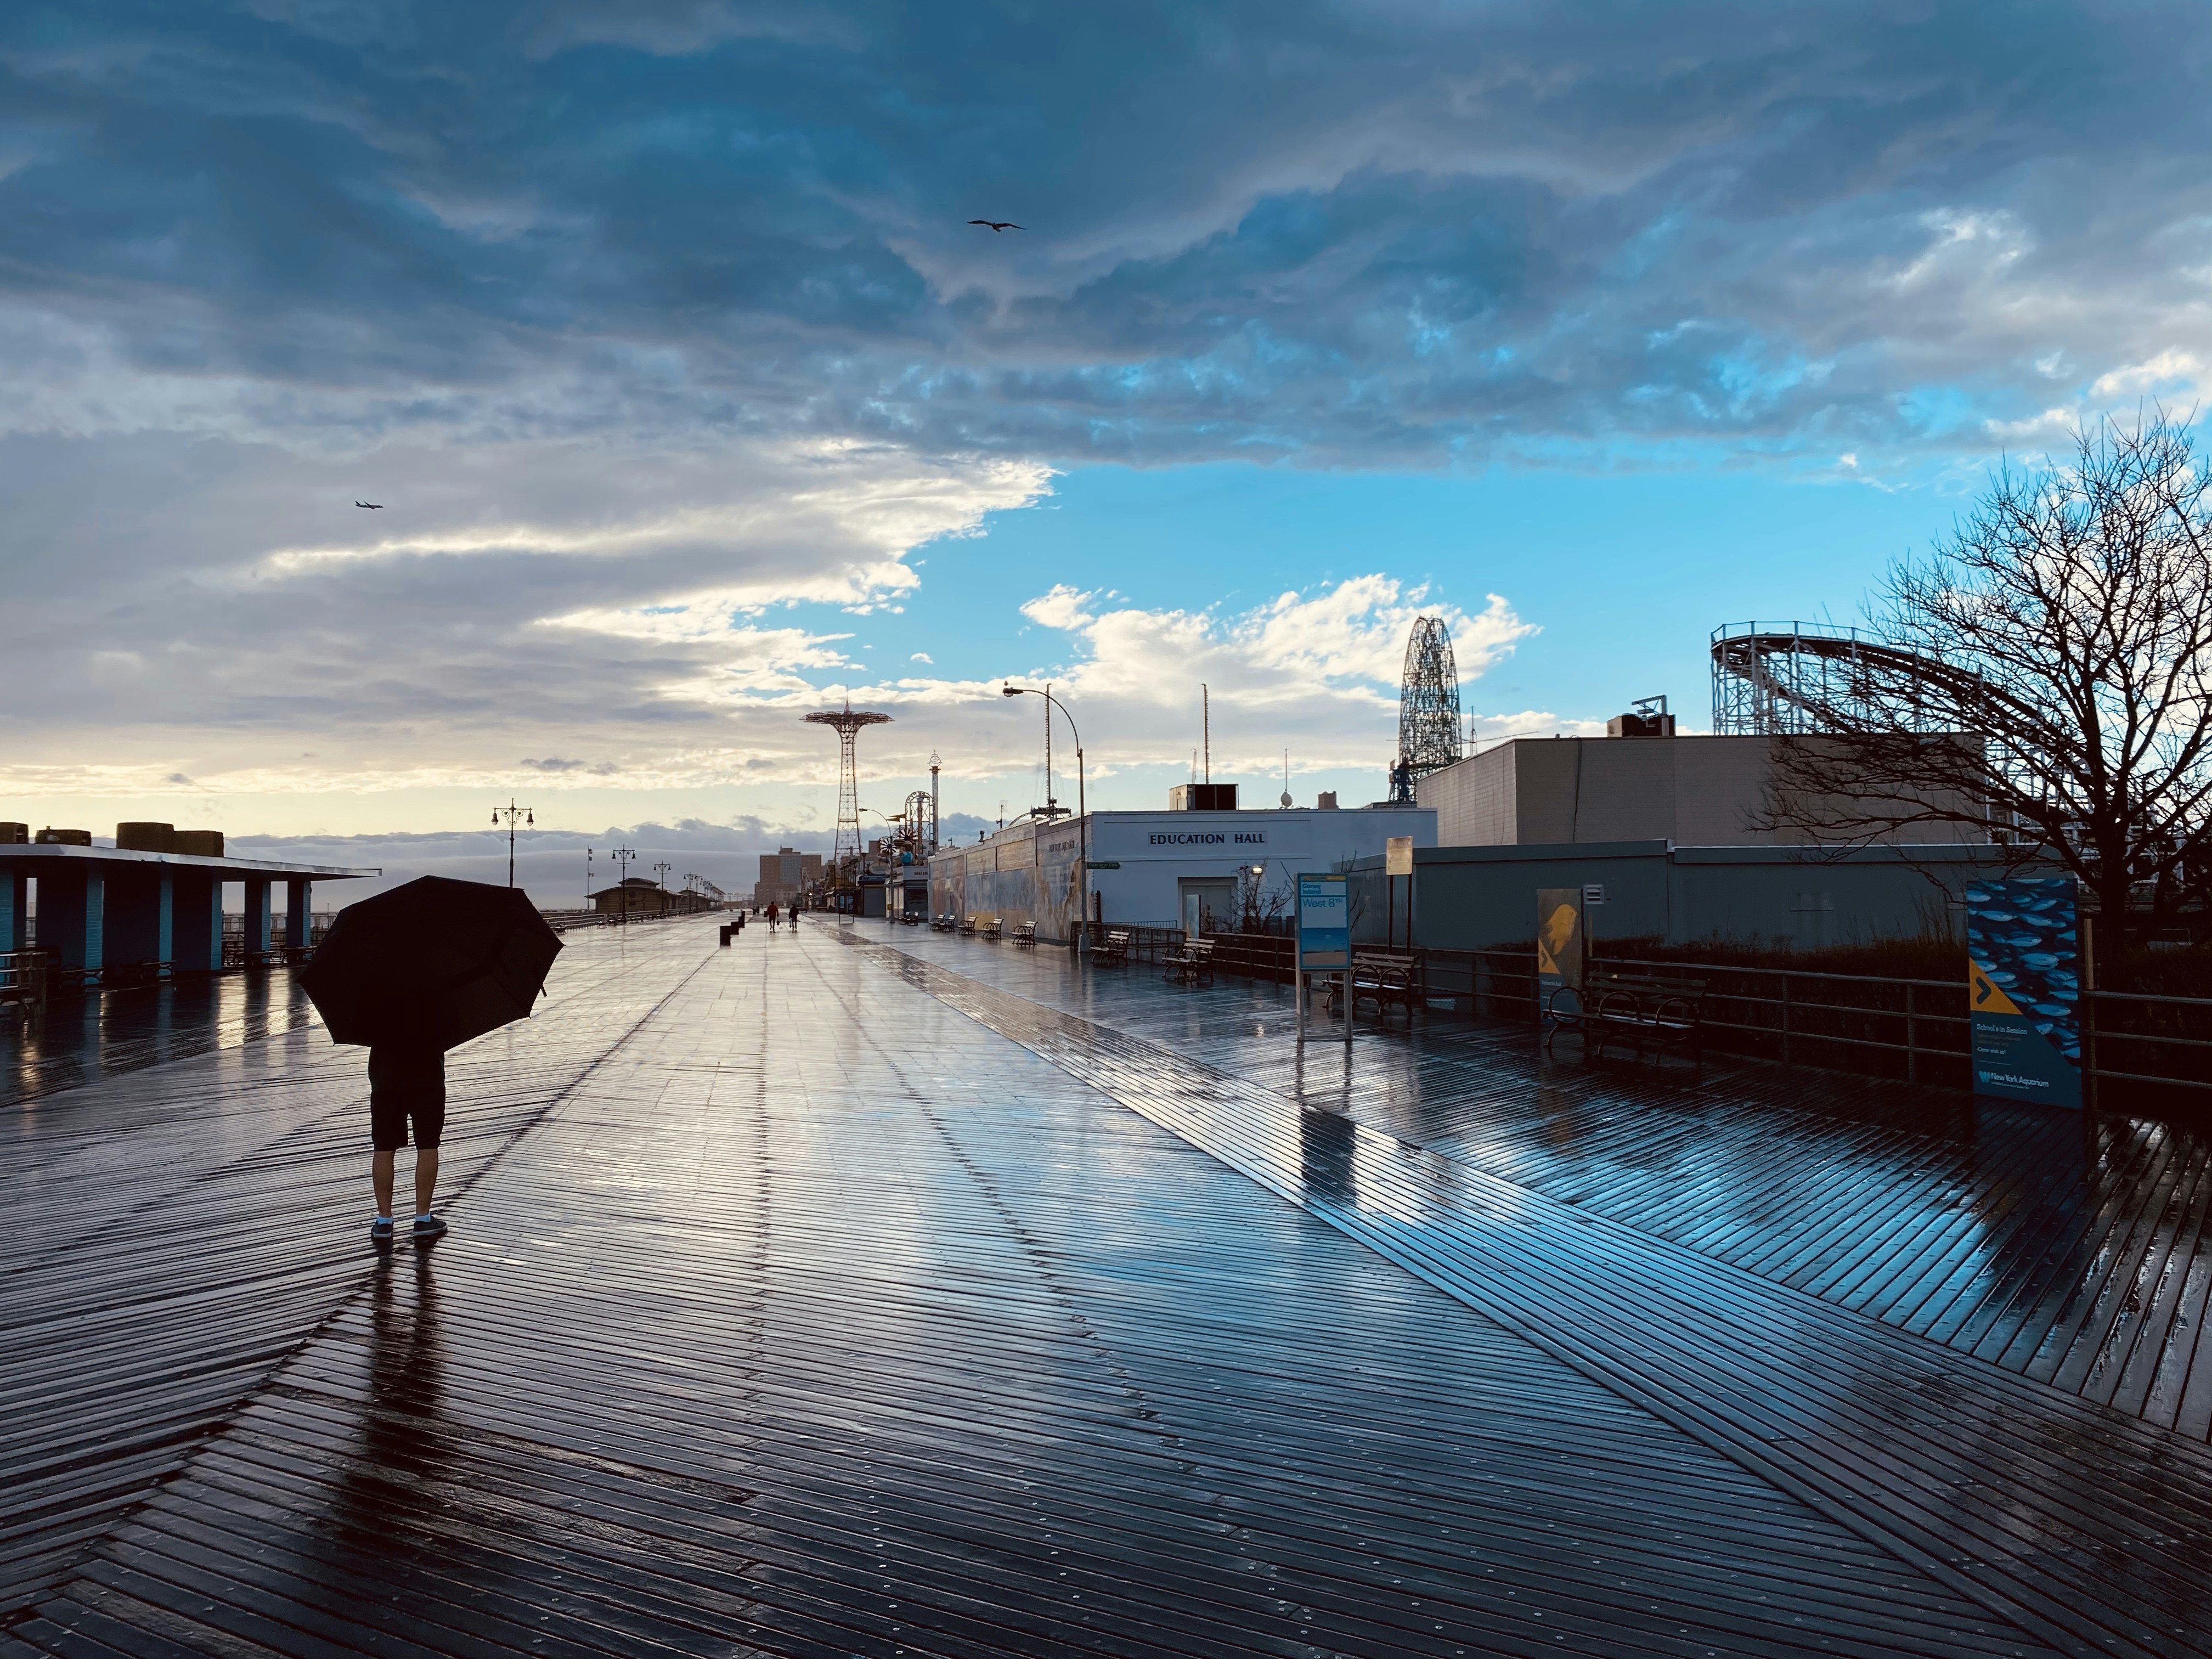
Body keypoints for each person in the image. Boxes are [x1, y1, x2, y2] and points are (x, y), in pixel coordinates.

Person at [369, 1043, 448, 1245]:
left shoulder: (374, 1009)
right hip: (428, 1076)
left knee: (384, 1148)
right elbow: (452, 1030)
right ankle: (423, 1218)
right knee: (428, 1146)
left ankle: (384, 1220)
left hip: (386, 1077)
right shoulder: (436, 1009)